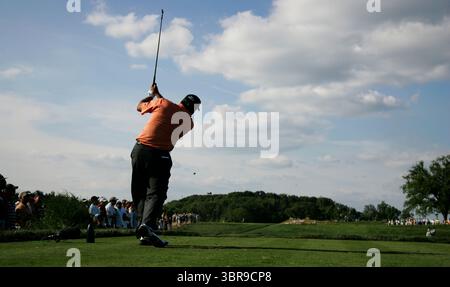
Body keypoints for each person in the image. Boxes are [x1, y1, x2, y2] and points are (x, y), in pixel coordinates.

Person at [131, 83, 201, 247]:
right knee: (156, 194)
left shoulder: (162, 103)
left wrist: (150, 94)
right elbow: (172, 110)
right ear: (193, 109)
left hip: (139, 150)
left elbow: (139, 106)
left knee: (140, 191)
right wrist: (158, 95)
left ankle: (144, 232)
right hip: (161, 156)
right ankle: (146, 227)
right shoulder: (189, 123)